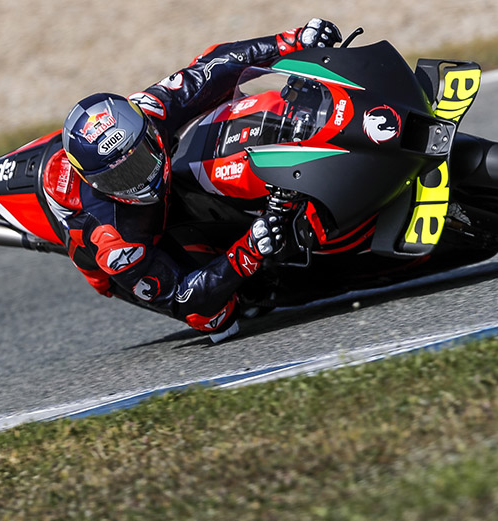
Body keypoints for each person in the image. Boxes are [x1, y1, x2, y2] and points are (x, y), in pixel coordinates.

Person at [59, 19, 343, 340]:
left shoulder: (149, 111)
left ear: (147, 132)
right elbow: (185, 300)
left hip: (174, 188)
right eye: (120, 177)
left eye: (139, 159)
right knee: (218, 320)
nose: (139, 178)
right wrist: (248, 251)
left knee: (221, 106)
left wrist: (290, 41)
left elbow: (214, 66)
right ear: (96, 183)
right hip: (143, 247)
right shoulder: (117, 242)